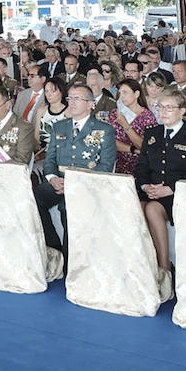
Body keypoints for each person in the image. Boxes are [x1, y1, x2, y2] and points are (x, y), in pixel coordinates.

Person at [136, 89, 186, 271]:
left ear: (182, 111)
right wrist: (146, 186)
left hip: (179, 194)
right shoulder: (152, 133)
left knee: (152, 208)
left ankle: (163, 267)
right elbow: (141, 166)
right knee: (135, 206)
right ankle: (143, 264)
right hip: (151, 190)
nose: (163, 112)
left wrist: (170, 188)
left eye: (169, 108)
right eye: (160, 107)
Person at [34, 85, 116, 253]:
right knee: (34, 197)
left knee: (67, 207)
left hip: (85, 183)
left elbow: (106, 166)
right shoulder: (60, 126)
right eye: (70, 98)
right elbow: (50, 159)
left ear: (90, 104)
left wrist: (74, 183)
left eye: (77, 99)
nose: (72, 102)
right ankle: (53, 246)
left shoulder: (104, 129)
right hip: (59, 181)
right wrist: (52, 178)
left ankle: (70, 261)